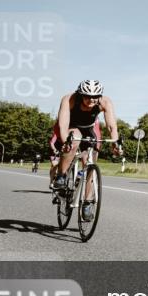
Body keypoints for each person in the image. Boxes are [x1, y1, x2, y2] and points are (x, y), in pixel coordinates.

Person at [50, 80, 123, 220]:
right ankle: (61, 175)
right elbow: (63, 123)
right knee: (75, 138)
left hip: (88, 129)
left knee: (90, 162)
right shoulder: (69, 99)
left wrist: (115, 143)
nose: (91, 100)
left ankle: (88, 201)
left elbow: (112, 126)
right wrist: (66, 141)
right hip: (68, 127)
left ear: (99, 96)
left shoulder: (105, 102)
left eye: (95, 97)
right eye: (87, 96)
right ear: (80, 94)